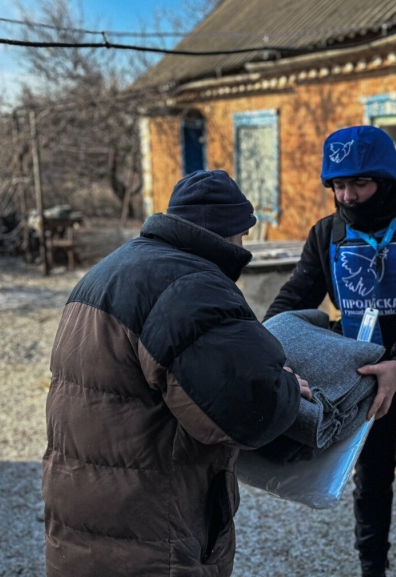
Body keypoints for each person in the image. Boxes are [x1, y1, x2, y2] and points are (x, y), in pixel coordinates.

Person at [43, 170, 311, 577]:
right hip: (150, 541)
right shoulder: (192, 287)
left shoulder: (108, 270)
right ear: (236, 233)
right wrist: (288, 386)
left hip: (83, 526)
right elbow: (248, 410)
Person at [265, 126, 396, 577]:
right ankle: (372, 569)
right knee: (370, 484)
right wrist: (265, 345)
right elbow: (297, 297)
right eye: (338, 186)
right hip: (362, 383)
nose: (348, 196)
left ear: (387, 178)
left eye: (359, 184)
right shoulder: (327, 234)